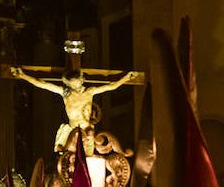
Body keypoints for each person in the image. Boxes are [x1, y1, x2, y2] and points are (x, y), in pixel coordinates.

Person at [10, 64, 138, 153]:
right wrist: (22, 76)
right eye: (71, 82)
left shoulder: (90, 92)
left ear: (81, 80)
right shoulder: (66, 93)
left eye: (76, 81)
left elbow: (111, 87)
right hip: (72, 129)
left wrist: (126, 78)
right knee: (67, 155)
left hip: (87, 130)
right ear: (68, 82)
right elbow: (43, 85)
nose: (74, 84)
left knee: (87, 156)